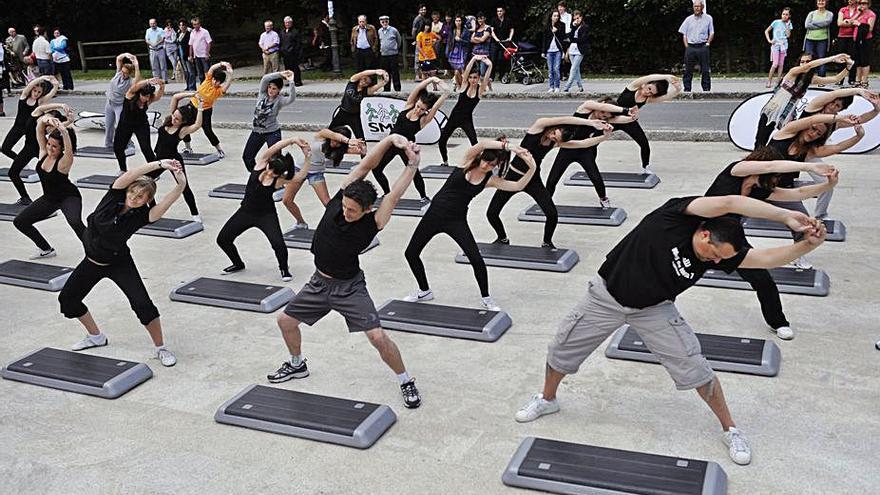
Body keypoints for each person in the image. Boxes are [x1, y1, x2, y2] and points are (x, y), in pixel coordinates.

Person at [514, 194, 829, 466]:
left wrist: (805, 246)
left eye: (722, 259)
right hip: (605, 296)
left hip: (655, 309)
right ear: (704, 233)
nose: (716, 262)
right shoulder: (673, 217)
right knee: (562, 349)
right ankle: (547, 398)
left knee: (695, 367)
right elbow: (732, 202)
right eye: (715, 254)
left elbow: (764, 259)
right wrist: (787, 215)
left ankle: (730, 429)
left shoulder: (721, 254)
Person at [268, 134, 424, 409]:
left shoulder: (375, 219)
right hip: (319, 283)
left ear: (367, 210)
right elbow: (365, 167)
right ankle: (297, 364)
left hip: (349, 287)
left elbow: (395, 193)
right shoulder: (343, 196)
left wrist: (411, 165)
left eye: (352, 211)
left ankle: (405, 380)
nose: (346, 211)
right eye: (345, 207)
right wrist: (389, 141)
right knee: (285, 321)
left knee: (377, 336)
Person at [59, 159, 187, 367]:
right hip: (91, 261)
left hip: (119, 262)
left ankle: (161, 348)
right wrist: (161, 164)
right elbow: (133, 173)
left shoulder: (143, 215)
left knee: (143, 305)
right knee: (67, 300)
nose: (134, 198)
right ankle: (96, 337)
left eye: (140, 197)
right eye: (133, 193)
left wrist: (180, 184)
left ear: (147, 200)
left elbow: (165, 203)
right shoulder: (114, 195)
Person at [705, 148, 839, 340]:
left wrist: (827, 186)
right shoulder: (736, 170)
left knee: (763, 280)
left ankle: (779, 322)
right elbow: (770, 165)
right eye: (775, 175)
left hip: (731, 239)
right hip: (700, 232)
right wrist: (811, 166)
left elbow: (797, 193)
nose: (776, 179)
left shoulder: (758, 190)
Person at [404, 139, 536, 311]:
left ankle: (486, 298)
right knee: (411, 253)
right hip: (433, 216)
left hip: (456, 220)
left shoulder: (490, 180)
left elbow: (518, 185)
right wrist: (509, 146)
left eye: (491, 165)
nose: (486, 166)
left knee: (476, 259)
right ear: (481, 157)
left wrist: (532, 167)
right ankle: (424, 290)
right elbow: (481, 145)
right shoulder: (466, 161)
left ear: (497, 165)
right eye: (486, 161)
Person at [487, 116, 613, 248]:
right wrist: (591, 122)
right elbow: (564, 119)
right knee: (492, 213)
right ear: (554, 127)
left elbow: (582, 144)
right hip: (512, 177)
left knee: (552, 214)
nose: (552, 137)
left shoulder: (554, 142)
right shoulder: (538, 127)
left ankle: (547, 242)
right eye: (554, 133)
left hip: (533, 180)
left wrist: (604, 137)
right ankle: (502, 238)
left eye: (556, 139)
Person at [217, 138, 311, 282]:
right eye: (270, 169)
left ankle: (284, 269)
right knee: (223, 239)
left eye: (274, 173)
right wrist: (292, 140)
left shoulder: (279, 181)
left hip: (266, 216)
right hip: (245, 212)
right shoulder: (261, 164)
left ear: (279, 175)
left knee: (278, 244)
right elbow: (273, 148)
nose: (269, 173)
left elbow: (300, 177)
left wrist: (308, 158)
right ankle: (237, 264)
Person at [795, 88, 880, 218]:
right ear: (827, 101)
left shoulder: (836, 123)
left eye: (838, 106)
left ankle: (820, 214)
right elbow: (834, 94)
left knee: (828, 183)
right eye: (832, 103)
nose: (833, 106)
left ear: (840, 109)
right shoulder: (813, 108)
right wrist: (859, 90)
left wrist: (876, 110)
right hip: (790, 151)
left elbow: (861, 119)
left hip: (809, 156)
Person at [545, 97, 640, 207]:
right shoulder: (585, 108)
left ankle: (603, 199)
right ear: (601, 105)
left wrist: (633, 117)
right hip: (567, 149)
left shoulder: (605, 119)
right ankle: (546, 203)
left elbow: (624, 120)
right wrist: (626, 110)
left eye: (605, 115)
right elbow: (602, 107)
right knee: (552, 179)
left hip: (585, 151)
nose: (602, 115)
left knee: (595, 177)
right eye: (602, 112)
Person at [13, 116, 84, 259]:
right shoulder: (44, 153)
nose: (50, 148)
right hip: (50, 199)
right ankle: (46, 249)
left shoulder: (64, 161)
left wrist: (64, 131)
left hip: (68, 197)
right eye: (49, 144)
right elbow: (39, 127)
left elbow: (69, 150)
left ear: (62, 148)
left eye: (54, 146)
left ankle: (97, 252)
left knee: (75, 222)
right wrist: (49, 120)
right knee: (20, 222)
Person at [371, 77, 450, 201]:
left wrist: (445, 94)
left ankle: (424, 196)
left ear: (426, 110)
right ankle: (387, 193)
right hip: (391, 143)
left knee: (413, 172)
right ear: (417, 101)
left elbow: (435, 108)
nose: (418, 110)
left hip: (406, 146)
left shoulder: (423, 120)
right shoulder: (408, 105)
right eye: (418, 106)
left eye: (422, 109)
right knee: (376, 169)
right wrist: (431, 79)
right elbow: (418, 88)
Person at [754, 53, 853, 149]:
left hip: (788, 115)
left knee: (788, 140)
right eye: (802, 61)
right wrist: (833, 58)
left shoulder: (810, 79)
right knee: (761, 140)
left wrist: (849, 66)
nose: (804, 63)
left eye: (807, 61)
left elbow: (835, 79)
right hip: (773, 110)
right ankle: (755, 160)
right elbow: (808, 66)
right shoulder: (793, 72)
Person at [282, 127, 365, 230]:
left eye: (338, 143)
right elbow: (332, 135)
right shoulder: (321, 136)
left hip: (316, 173)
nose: (335, 143)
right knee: (287, 200)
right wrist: (347, 140)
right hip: (299, 169)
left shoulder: (339, 149)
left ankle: (344, 224)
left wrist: (362, 149)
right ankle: (301, 222)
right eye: (334, 140)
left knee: (327, 203)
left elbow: (362, 153)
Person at [2, 76, 58, 205]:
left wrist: (54, 86)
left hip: (35, 141)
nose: (36, 94)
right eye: (35, 91)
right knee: (5, 149)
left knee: (46, 169)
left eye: (39, 92)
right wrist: (42, 78)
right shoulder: (23, 98)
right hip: (19, 129)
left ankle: (53, 194)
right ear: (31, 89)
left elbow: (50, 97)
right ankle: (25, 197)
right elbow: (28, 87)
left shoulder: (39, 105)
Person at [150, 92, 204, 222]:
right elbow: (175, 97)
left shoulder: (182, 130)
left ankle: (195, 214)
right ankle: (151, 209)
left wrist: (201, 108)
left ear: (183, 121)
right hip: (159, 160)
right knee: (145, 182)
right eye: (174, 116)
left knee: (184, 186)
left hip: (173, 161)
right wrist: (194, 94)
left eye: (177, 119)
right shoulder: (168, 121)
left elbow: (197, 125)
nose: (173, 119)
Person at [615, 74, 682, 172]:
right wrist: (666, 77)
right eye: (649, 88)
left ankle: (645, 166)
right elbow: (650, 77)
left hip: (629, 122)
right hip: (613, 118)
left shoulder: (648, 99)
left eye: (651, 93)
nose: (648, 92)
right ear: (645, 84)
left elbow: (667, 96)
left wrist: (677, 89)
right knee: (594, 137)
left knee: (644, 144)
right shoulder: (633, 87)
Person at [438, 55, 492, 165]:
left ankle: (477, 163)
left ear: (478, 78)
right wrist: (474, 58)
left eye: (475, 77)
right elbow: (466, 71)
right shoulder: (464, 86)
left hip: (466, 119)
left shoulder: (480, 90)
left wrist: (490, 65)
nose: (473, 80)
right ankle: (445, 161)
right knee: (442, 140)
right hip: (454, 117)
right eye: (471, 77)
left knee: (474, 142)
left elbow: (486, 78)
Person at [243, 70, 297, 171]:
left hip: (272, 133)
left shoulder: (280, 100)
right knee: (247, 157)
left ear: (279, 90)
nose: (271, 90)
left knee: (275, 160)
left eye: (274, 89)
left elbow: (291, 99)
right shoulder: (262, 94)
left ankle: (276, 182)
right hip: (257, 132)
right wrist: (281, 74)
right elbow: (265, 78)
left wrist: (291, 82)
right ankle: (258, 177)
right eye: (269, 87)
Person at [328, 69, 388, 151]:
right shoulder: (352, 82)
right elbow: (362, 73)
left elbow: (378, 86)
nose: (364, 82)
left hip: (354, 116)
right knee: (328, 133)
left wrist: (385, 80)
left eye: (367, 82)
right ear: (361, 78)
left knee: (361, 139)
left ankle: (364, 159)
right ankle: (327, 151)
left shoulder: (366, 91)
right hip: (343, 112)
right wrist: (376, 71)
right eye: (364, 79)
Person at [182, 61, 233, 157]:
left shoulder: (218, 90)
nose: (215, 82)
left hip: (206, 111)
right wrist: (223, 64)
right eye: (214, 79)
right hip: (193, 106)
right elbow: (212, 68)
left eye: (217, 81)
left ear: (220, 83)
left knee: (208, 130)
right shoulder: (208, 80)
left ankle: (219, 150)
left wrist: (230, 74)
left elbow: (228, 84)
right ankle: (188, 147)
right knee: (185, 125)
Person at [113, 77, 164, 172]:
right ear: (139, 93)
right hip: (125, 124)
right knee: (118, 148)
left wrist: (162, 85)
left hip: (141, 124)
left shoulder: (148, 99)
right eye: (144, 96)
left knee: (146, 148)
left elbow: (158, 96)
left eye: (148, 96)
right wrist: (148, 81)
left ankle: (153, 171)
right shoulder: (130, 95)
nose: (146, 98)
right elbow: (135, 87)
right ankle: (123, 170)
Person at [103, 53, 140, 150]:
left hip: (120, 106)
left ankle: (129, 143)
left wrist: (136, 65)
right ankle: (108, 144)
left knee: (122, 126)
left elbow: (138, 80)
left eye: (125, 73)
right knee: (108, 125)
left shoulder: (130, 82)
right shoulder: (118, 74)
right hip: (109, 103)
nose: (123, 74)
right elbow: (119, 59)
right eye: (122, 72)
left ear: (129, 74)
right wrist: (127, 55)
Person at [678, 0, 714, 92]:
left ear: (702, 7)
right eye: (695, 6)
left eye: (698, 6)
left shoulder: (708, 18)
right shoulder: (688, 19)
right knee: (688, 70)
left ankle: (706, 89)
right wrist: (687, 46)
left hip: (703, 46)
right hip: (691, 47)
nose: (696, 8)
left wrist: (708, 44)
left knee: (705, 69)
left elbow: (712, 32)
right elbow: (684, 34)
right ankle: (687, 89)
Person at [804, 0, 835, 77]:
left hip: (822, 39)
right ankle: (807, 78)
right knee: (808, 59)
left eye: (823, 1)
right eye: (819, 1)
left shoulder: (829, 13)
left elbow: (827, 22)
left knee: (821, 59)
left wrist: (813, 22)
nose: (821, 2)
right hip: (809, 39)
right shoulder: (811, 13)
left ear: (826, 2)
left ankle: (821, 78)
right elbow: (807, 25)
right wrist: (821, 24)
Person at [765, 7, 794, 88]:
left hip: (784, 46)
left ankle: (778, 81)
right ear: (781, 14)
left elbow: (788, 35)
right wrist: (769, 40)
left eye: (786, 14)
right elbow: (766, 31)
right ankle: (769, 81)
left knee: (781, 64)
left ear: (789, 16)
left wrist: (788, 26)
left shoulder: (789, 24)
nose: (784, 16)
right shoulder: (776, 22)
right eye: (783, 14)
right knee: (775, 64)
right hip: (775, 45)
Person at [563, 11, 588, 93]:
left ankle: (567, 86)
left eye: (578, 18)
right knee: (576, 69)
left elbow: (583, 39)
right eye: (575, 18)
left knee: (573, 69)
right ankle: (580, 87)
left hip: (579, 50)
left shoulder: (585, 27)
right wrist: (573, 27)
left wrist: (574, 40)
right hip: (572, 49)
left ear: (581, 18)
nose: (577, 20)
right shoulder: (573, 26)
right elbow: (569, 37)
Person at [852, 0, 875, 87]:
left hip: (866, 40)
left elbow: (870, 29)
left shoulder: (871, 14)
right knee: (858, 61)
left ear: (868, 4)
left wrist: (859, 24)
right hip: (856, 38)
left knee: (864, 61)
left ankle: (864, 81)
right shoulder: (859, 13)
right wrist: (857, 13)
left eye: (864, 3)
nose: (862, 5)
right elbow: (850, 21)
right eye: (860, 3)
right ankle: (858, 80)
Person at [838, 0, 861, 86]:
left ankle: (851, 79)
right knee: (841, 58)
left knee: (853, 58)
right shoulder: (843, 9)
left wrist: (847, 21)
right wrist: (852, 21)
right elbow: (839, 23)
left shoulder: (859, 10)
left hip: (853, 36)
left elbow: (859, 23)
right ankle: (840, 79)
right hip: (842, 36)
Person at [543, 11, 566, 93]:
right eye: (554, 16)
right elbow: (545, 39)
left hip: (558, 51)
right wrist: (543, 51)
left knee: (556, 69)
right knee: (550, 70)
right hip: (549, 51)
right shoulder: (547, 26)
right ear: (551, 17)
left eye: (557, 16)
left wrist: (557, 31)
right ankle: (551, 86)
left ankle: (557, 86)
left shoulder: (562, 25)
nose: (556, 17)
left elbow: (563, 38)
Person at [490, 6, 515, 81]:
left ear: (504, 12)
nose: (499, 13)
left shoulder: (508, 20)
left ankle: (502, 76)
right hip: (495, 42)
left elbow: (512, 29)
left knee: (502, 59)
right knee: (493, 59)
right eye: (498, 11)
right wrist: (496, 39)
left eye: (500, 11)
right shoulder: (494, 20)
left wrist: (510, 38)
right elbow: (491, 30)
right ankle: (492, 76)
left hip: (504, 42)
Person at [378, 15, 402, 92]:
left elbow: (399, 41)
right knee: (385, 73)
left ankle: (397, 89)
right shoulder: (379, 31)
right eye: (382, 22)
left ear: (388, 21)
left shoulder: (394, 30)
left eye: (386, 21)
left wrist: (395, 48)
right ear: (380, 22)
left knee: (395, 73)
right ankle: (386, 89)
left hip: (393, 55)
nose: (384, 23)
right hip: (384, 55)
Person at [446, 15, 471, 91]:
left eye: (459, 21)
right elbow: (449, 42)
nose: (458, 22)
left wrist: (460, 40)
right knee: (456, 70)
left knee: (463, 69)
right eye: (456, 21)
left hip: (463, 50)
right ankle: (458, 84)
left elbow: (468, 42)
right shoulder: (452, 30)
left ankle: (464, 85)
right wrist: (447, 51)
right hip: (454, 51)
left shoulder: (465, 30)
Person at [470, 13, 494, 83]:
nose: (480, 20)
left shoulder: (488, 28)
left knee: (483, 71)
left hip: (484, 53)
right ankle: (481, 87)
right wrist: (478, 39)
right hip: (475, 52)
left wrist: (476, 39)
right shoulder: (477, 28)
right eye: (478, 19)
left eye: (481, 18)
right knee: (478, 71)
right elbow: (471, 39)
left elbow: (483, 39)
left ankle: (486, 85)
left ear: (484, 18)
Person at [280, 16, 303, 86]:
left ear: (291, 23)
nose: (287, 24)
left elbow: (298, 43)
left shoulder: (295, 32)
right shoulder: (282, 32)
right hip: (285, 53)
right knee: (287, 68)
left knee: (295, 67)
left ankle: (298, 81)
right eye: (286, 23)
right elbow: (281, 42)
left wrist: (297, 52)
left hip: (293, 53)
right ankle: (290, 81)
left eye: (288, 23)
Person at [188, 17, 212, 84]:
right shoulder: (192, 32)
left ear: (200, 24)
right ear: (193, 25)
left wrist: (207, 53)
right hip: (196, 55)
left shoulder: (205, 31)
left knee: (207, 72)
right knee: (200, 73)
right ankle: (202, 86)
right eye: (195, 24)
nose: (196, 26)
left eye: (198, 24)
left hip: (204, 55)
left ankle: (208, 85)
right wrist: (190, 55)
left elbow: (209, 43)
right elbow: (191, 44)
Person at [412, 5, 430, 80]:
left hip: (424, 40)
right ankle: (417, 75)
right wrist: (415, 40)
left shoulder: (424, 19)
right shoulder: (417, 19)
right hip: (418, 40)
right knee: (417, 58)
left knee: (424, 56)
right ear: (419, 10)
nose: (423, 11)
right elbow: (413, 30)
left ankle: (423, 74)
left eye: (425, 9)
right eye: (422, 9)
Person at [177, 20, 196, 90]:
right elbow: (178, 45)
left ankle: (192, 86)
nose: (181, 27)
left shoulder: (189, 34)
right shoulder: (178, 34)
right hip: (181, 55)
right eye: (180, 25)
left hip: (187, 55)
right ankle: (188, 86)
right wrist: (178, 56)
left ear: (186, 26)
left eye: (183, 25)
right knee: (186, 71)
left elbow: (190, 45)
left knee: (191, 71)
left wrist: (190, 55)